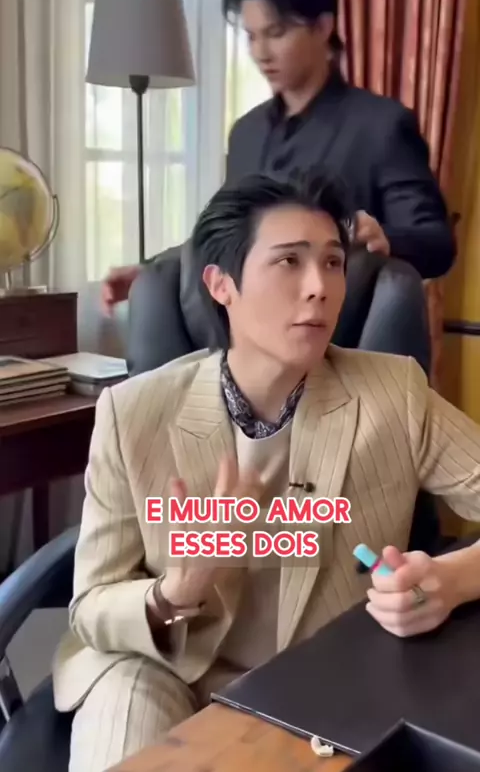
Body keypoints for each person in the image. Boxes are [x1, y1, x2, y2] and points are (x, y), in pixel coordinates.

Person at [55, 171, 479, 772]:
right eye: (289, 262)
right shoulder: (133, 413)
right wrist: (177, 591)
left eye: (333, 263)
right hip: (154, 668)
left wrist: (454, 578)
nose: (320, 288)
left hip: (319, 683)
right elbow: (92, 605)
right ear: (221, 285)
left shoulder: (394, 394)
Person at [101, 0, 455, 316]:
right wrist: (151, 268)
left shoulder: (381, 125)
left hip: (332, 318)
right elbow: (223, 233)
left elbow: (437, 243)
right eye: (251, 37)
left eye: (276, 33)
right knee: (156, 290)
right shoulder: (246, 133)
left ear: (323, 27)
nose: (261, 53)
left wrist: (385, 237)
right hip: (246, 321)